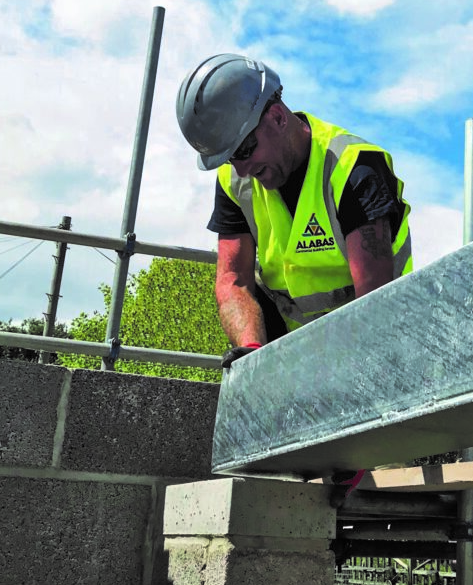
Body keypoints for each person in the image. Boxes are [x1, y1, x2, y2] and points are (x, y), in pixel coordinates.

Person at [175, 54, 413, 368]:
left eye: (245, 150)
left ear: (277, 117)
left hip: (381, 340)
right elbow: (233, 280)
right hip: (295, 345)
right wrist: (254, 357)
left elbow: (373, 303)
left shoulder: (355, 167)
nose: (243, 169)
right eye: (231, 158)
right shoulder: (234, 179)